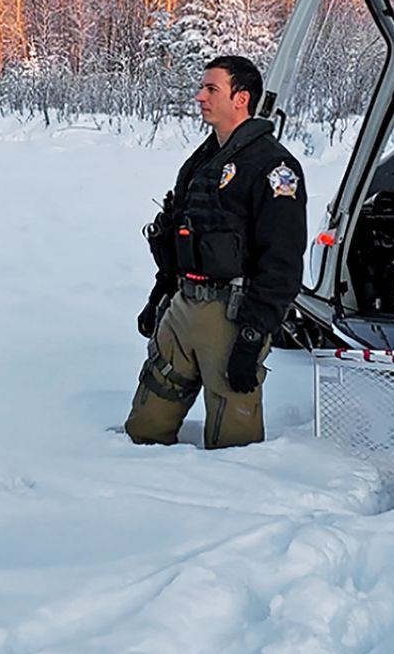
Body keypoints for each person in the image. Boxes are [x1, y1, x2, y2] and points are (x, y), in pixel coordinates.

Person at [125, 55, 308, 449]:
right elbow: (179, 233)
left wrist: (253, 333)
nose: (200, 97)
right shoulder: (203, 160)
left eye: (211, 89)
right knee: (143, 433)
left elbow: (283, 260)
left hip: (232, 314)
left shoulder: (273, 167)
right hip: (183, 306)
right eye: (202, 88)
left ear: (241, 98)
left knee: (233, 448)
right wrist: (159, 295)